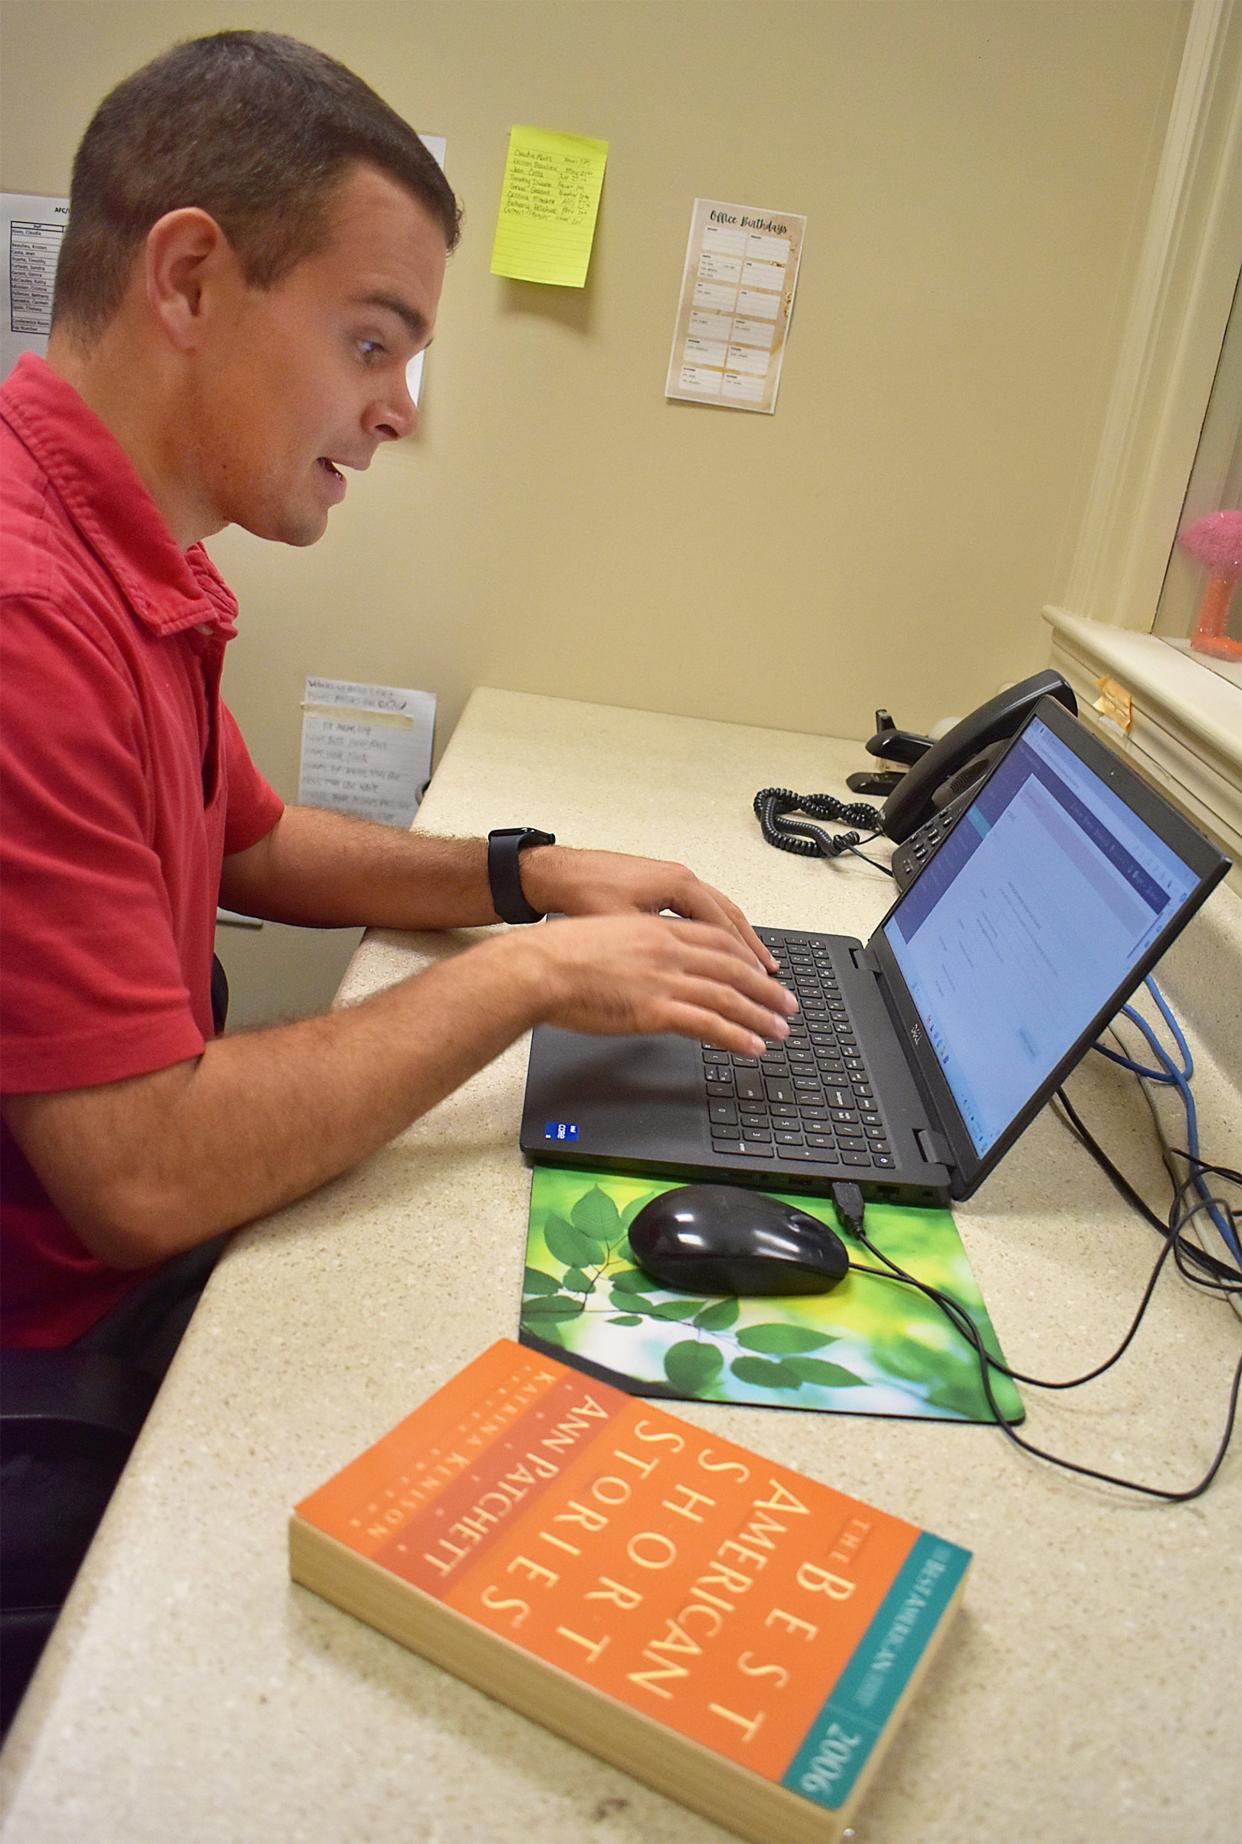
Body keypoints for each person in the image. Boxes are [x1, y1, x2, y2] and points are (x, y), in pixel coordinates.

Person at [0, 31, 795, 1367]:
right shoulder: (28, 618)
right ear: (190, 279)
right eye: (371, 342)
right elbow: (141, 1178)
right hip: (55, 1358)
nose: (398, 411)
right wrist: (530, 979)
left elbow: (248, 840)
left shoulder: (120, 553)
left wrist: (530, 879)